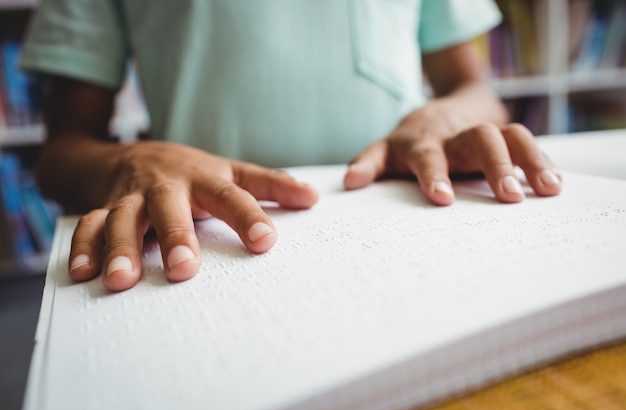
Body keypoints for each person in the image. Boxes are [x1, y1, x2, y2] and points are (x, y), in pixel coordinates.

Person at [20, 0, 562, 292]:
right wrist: (135, 160)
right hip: (204, 237)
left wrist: (444, 117)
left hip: (406, 221)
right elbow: (62, 153)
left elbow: (475, 90)